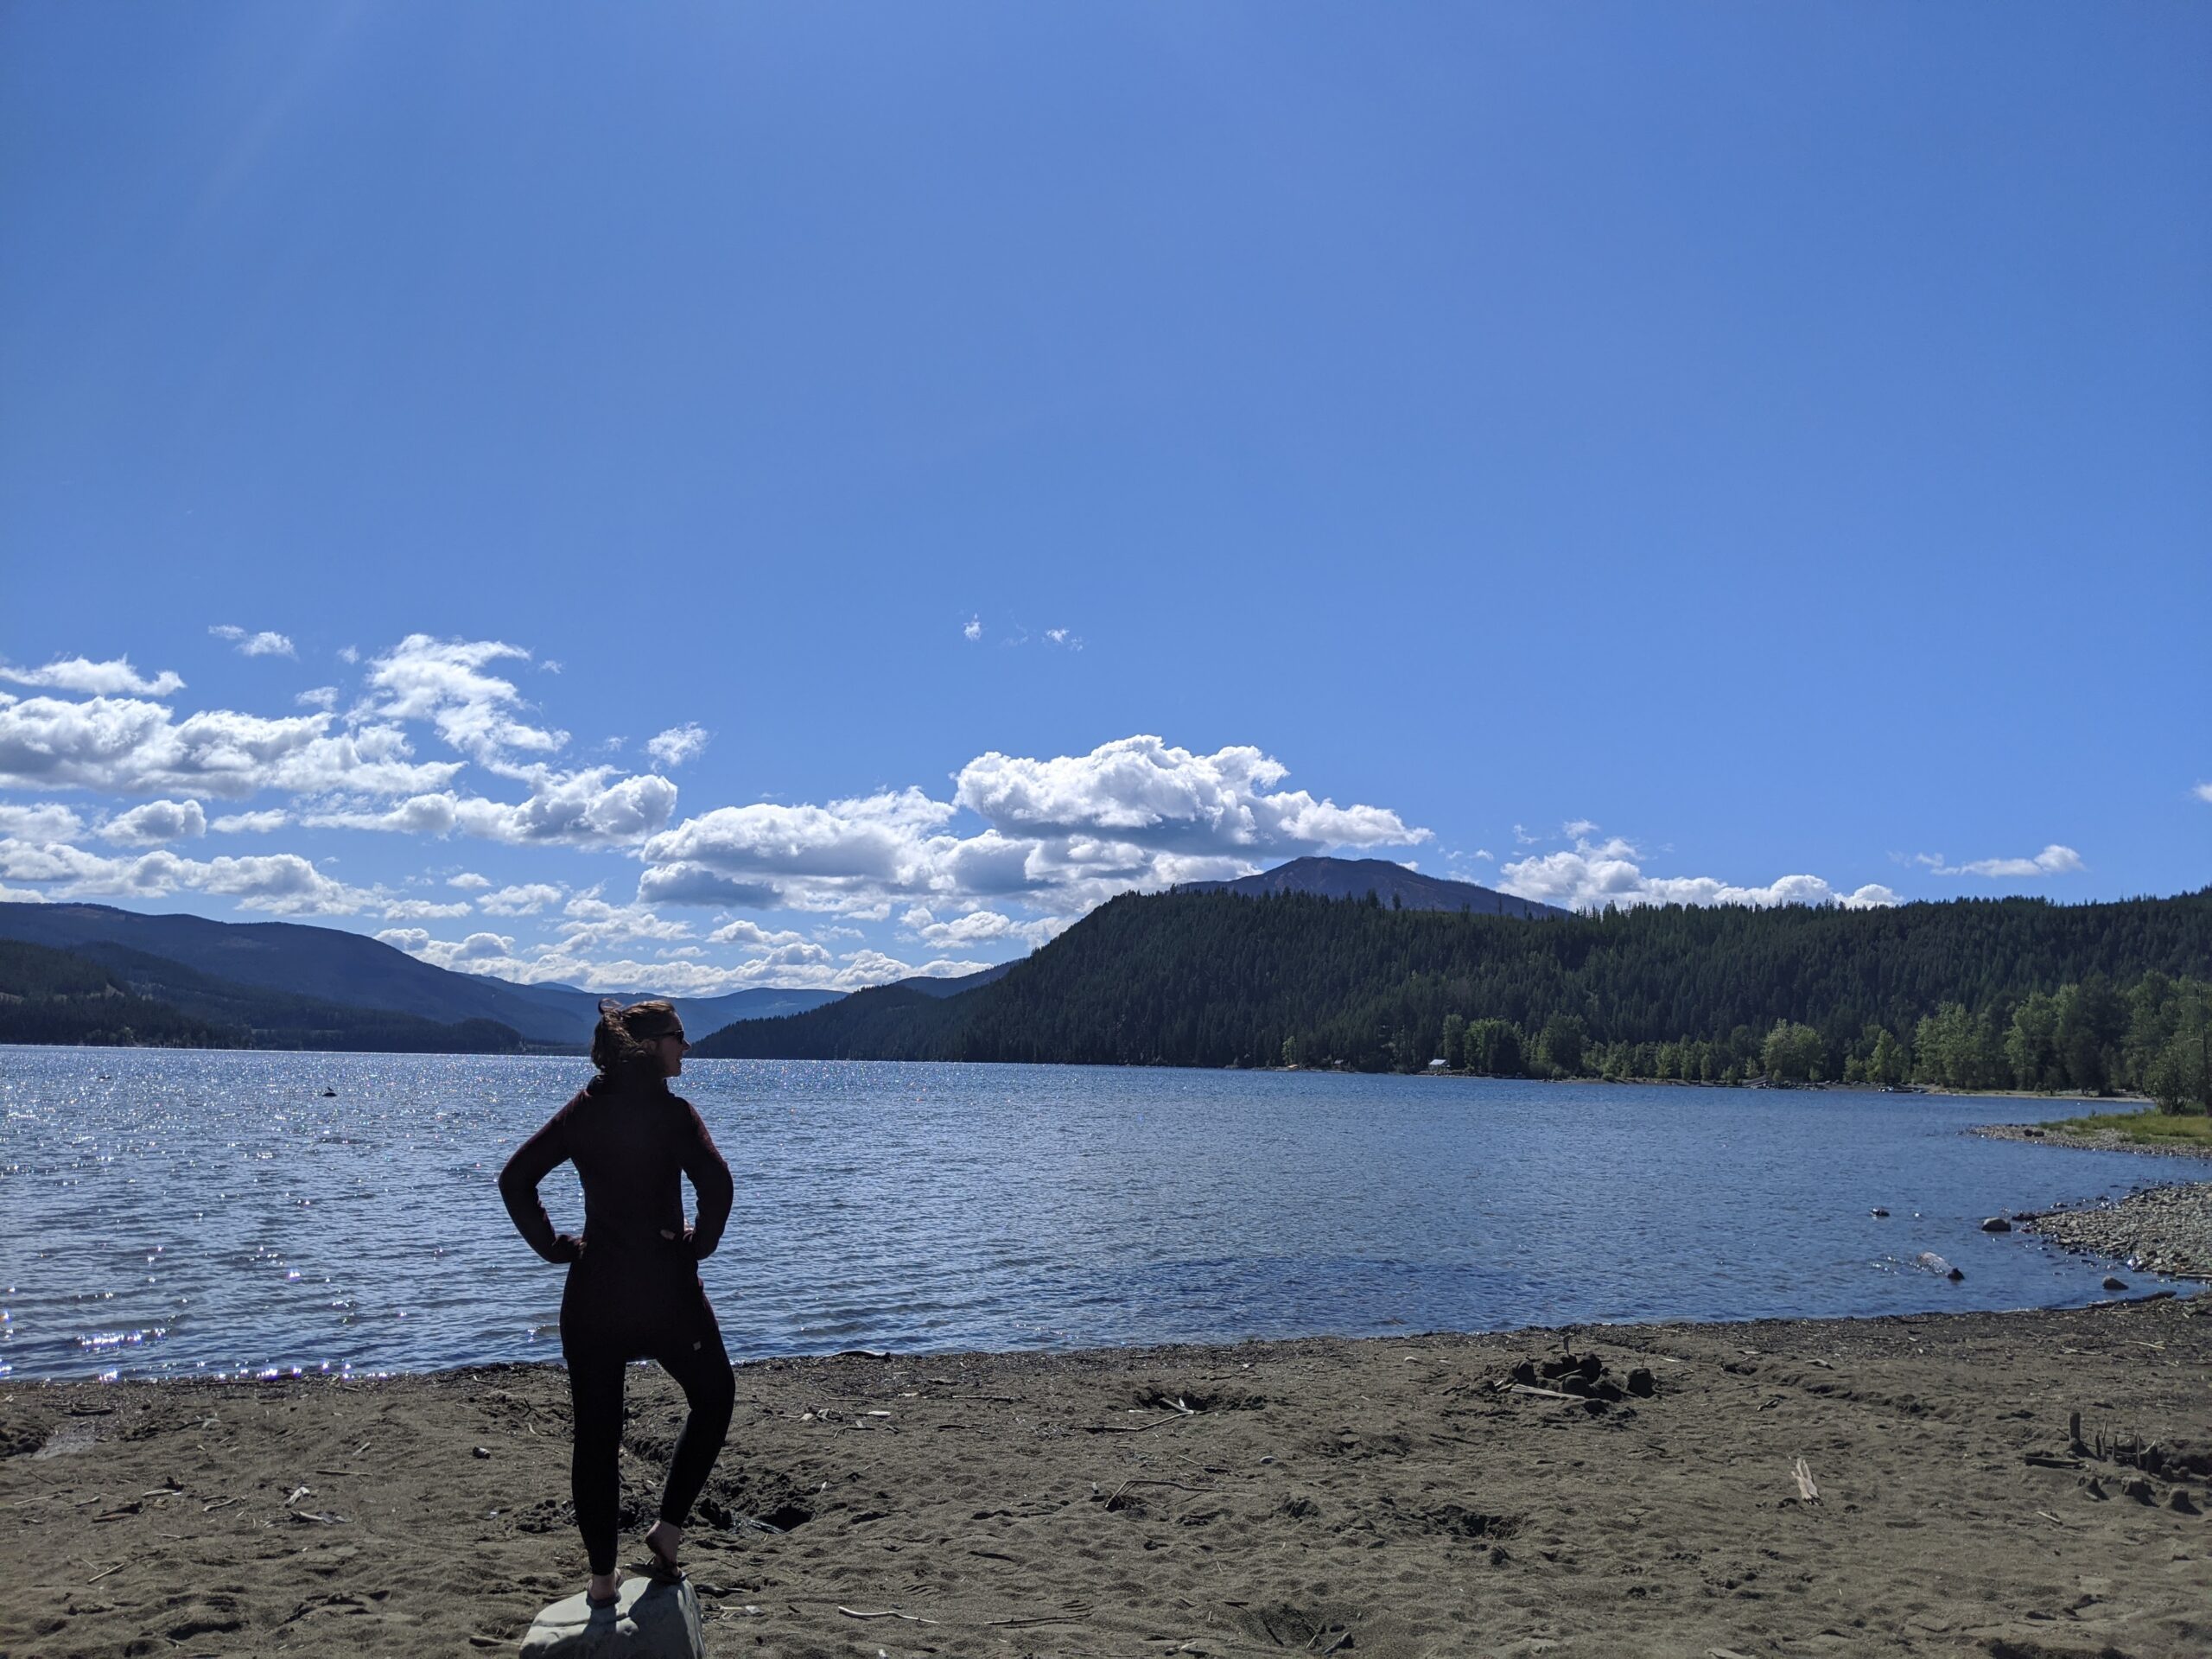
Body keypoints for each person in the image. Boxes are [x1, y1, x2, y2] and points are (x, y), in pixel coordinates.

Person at [499, 999, 735, 1607]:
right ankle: (668, 1529)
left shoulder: (586, 1111)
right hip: (665, 1295)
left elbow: (515, 1179)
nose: (686, 1048)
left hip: (596, 1293)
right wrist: (697, 1245)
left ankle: (602, 1584)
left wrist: (555, 1248)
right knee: (714, 1397)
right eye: (679, 1037)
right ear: (653, 1045)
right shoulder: (673, 1114)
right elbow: (717, 1182)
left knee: (597, 1439)